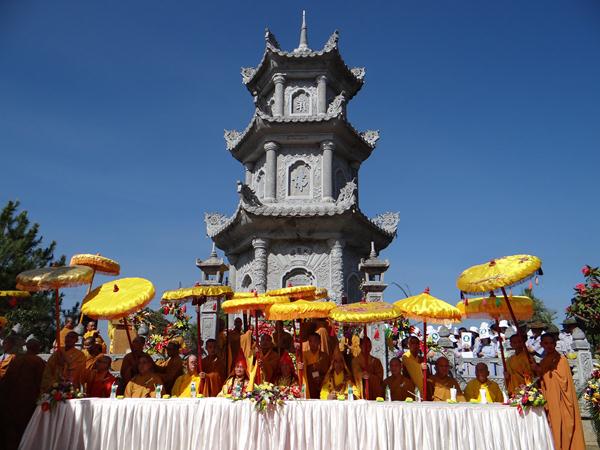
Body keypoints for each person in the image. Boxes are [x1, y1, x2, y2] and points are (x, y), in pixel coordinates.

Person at [534, 334, 585, 450]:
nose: (549, 346)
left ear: (555, 344)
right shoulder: (544, 360)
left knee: (561, 422)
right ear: (541, 344)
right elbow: (543, 378)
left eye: (551, 343)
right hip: (550, 398)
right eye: (546, 343)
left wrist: (541, 371)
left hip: (560, 400)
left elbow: (562, 381)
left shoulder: (561, 360)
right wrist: (539, 370)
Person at [0, 338, 45, 450]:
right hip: (28, 400)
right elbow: (42, 381)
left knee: (11, 427)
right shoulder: (38, 361)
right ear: (37, 348)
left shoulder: (16, 359)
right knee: (24, 427)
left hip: (11, 399)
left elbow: (7, 378)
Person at [298, 332, 330, 399]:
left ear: (319, 342)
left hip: (321, 384)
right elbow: (301, 371)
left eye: (315, 341)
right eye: (310, 341)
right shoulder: (304, 355)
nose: (312, 343)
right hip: (309, 384)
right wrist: (300, 367)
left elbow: (327, 372)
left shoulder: (324, 356)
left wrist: (320, 376)